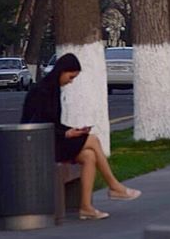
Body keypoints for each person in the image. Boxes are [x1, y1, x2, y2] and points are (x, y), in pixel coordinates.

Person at [21, 53, 141, 221]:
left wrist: (72, 131)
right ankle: (114, 186)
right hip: (39, 144)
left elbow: (53, 122)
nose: (71, 81)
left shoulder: (53, 90)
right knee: (93, 140)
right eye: (71, 77)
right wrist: (65, 133)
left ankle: (86, 208)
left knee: (89, 156)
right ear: (61, 71)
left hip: (51, 139)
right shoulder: (41, 91)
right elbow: (37, 123)